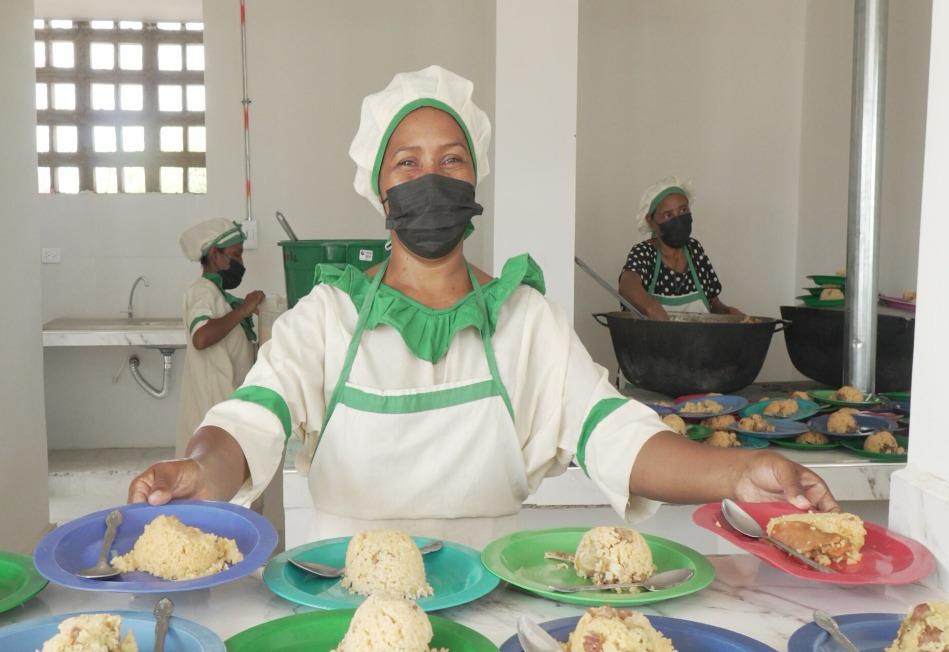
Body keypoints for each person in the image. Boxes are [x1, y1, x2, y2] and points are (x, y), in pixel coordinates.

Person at [130, 66, 836, 546]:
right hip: (349, 603)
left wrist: (740, 471)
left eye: (451, 161)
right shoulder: (328, 316)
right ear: (380, 190)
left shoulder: (523, 321)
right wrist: (199, 467)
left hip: (491, 600)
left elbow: (616, 434)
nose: (428, 180)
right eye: (406, 164)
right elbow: (250, 421)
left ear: (475, 181)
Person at [175, 219, 264, 456]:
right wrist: (243, 310)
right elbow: (201, 337)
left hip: (225, 408)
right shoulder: (202, 291)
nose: (241, 263)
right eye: (236, 255)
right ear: (215, 255)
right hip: (213, 410)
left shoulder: (219, 296)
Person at [619, 177, 743, 320]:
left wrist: (729, 313)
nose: (678, 219)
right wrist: (651, 308)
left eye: (683, 210)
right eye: (668, 215)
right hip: (651, 342)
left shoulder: (695, 250)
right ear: (651, 221)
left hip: (698, 341)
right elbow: (627, 285)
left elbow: (713, 303)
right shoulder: (644, 252)